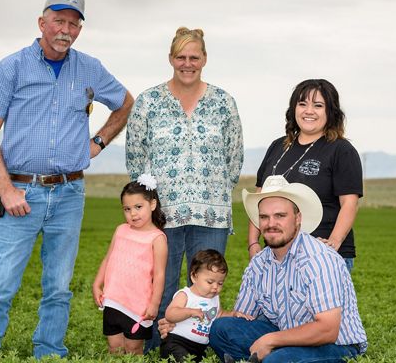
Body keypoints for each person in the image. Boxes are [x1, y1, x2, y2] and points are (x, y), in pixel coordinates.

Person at [0, 0, 134, 359]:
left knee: (58, 285)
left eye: (74, 24)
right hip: (22, 192)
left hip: (69, 192)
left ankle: (49, 350)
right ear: (42, 22)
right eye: (59, 20)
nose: (66, 29)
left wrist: (100, 141)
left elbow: (125, 103)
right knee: (3, 281)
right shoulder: (11, 67)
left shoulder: (89, 68)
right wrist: (7, 190)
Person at [126, 26, 244, 350]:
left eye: (194, 57)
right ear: (170, 58)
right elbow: (135, 158)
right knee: (161, 287)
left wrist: (210, 190)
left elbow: (235, 159)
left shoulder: (223, 102)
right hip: (164, 213)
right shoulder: (149, 101)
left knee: (208, 284)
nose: (187, 63)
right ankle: (155, 349)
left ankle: (199, 348)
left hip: (211, 212)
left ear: (204, 59)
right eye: (181, 56)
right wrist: (152, 202)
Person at [210, 175, 367, 362]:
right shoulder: (259, 263)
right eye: (264, 217)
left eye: (280, 216)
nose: (271, 224)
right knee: (221, 329)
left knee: (277, 360)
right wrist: (194, 315)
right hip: (286, 335)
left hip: (336, 344)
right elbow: (243, 317)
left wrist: (270, 340)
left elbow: (328, 330)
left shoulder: (318, 259)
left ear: (298, 218)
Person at [248, 79, 363, 273]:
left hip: (322, 254)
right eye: (302, 104)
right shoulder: (278, 147)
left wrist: (333, 244)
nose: (309, 111)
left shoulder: (341, 150)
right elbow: (258, 199)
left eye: (318, 105)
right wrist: (253, 243)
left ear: (330, 111)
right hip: (277, 253)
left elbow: (349, 204)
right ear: (294, 108)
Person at [92, 174, 168, 355]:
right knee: (115, 347)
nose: (132, 213)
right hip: (113, 299)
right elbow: (107, 259)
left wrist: (154, 304)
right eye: (127, 209)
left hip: (138, 305)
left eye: (138, 207)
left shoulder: (157, 238)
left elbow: (159, 275)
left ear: (152, 204)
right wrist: (97, 284)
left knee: (133, 348)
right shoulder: (121, 230)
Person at [160, 249, 254, 362]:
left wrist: (233, 314)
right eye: (210, 282)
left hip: (199, 348)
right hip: (177, 342)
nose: (215, 287)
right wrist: (190, 312)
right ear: (194, 277)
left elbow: (219, 314)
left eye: (220, 283)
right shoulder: (185, 295)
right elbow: (170, 314)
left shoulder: (214, 298)